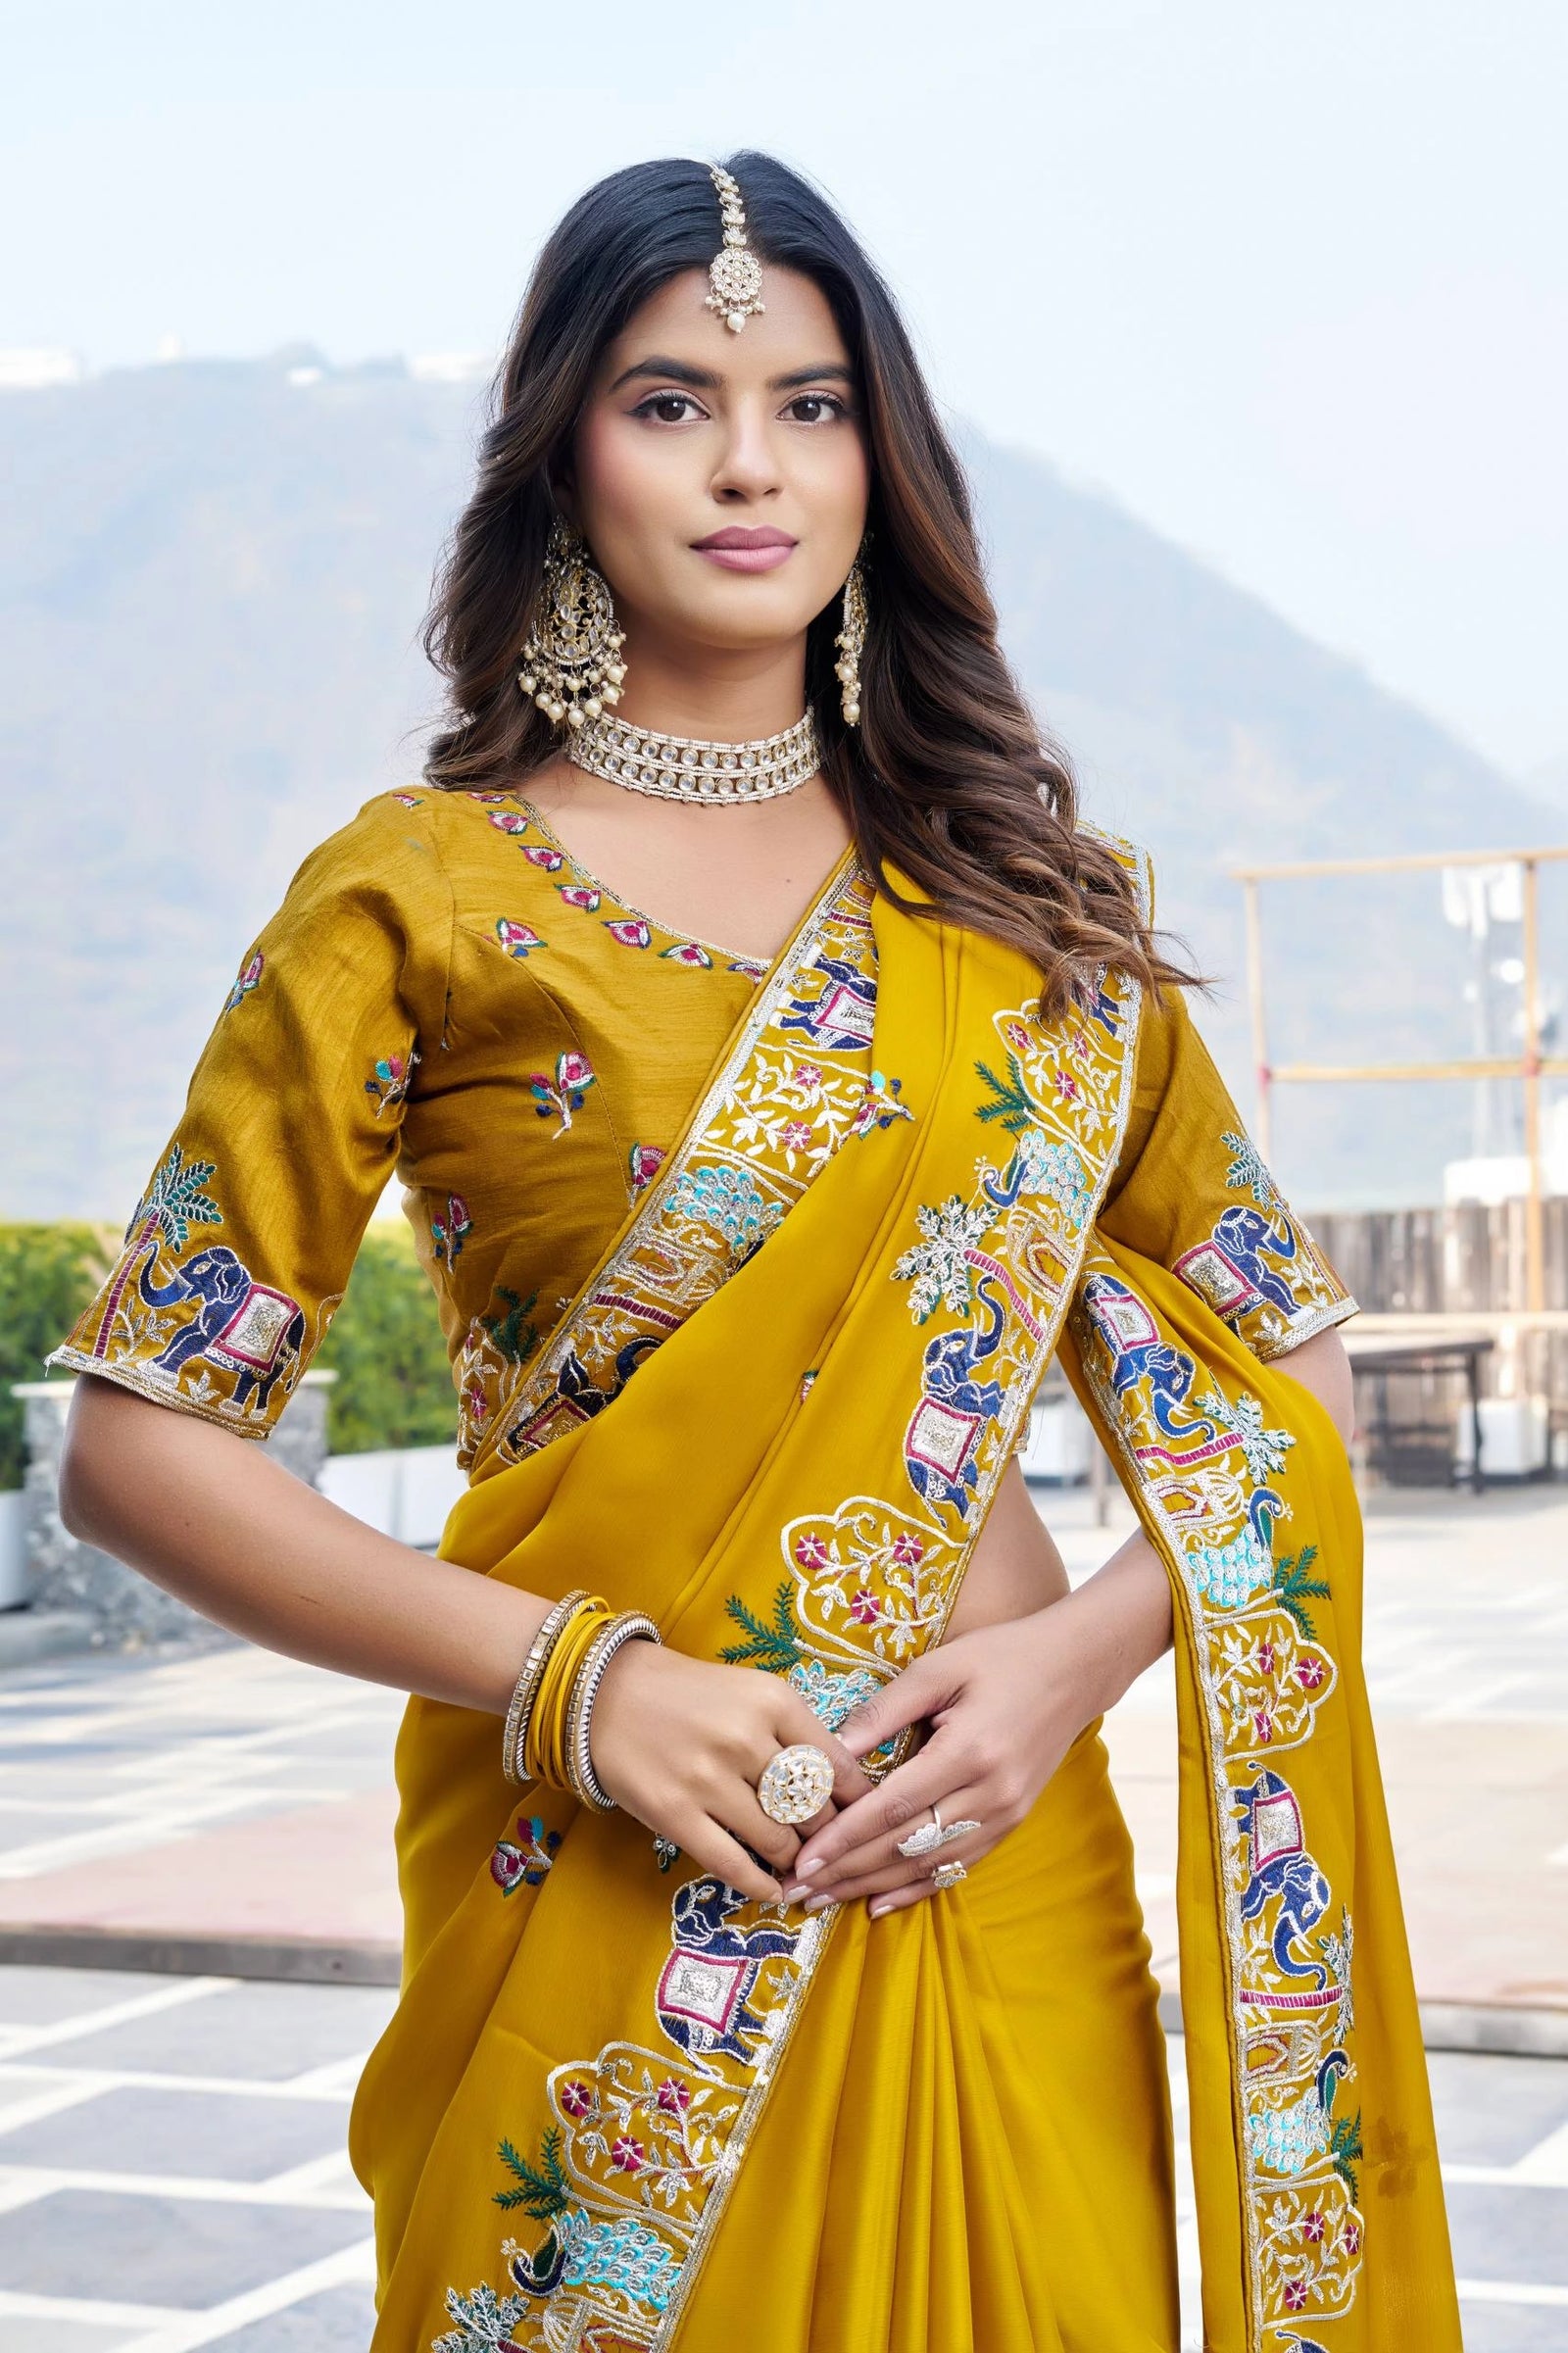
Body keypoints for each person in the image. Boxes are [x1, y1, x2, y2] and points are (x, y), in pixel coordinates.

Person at [54, 154, 1460, 2353]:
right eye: (668, 399)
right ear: (559, 450)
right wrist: (582, 1691)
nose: (747, 464)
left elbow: (1274, 1382)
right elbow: (140, 1446)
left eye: (808, 405)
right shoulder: (414, 894)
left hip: (999, 1868)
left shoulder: (1024, 907)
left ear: (879, 460)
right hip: (598, 1875)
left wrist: (1071, 1661)